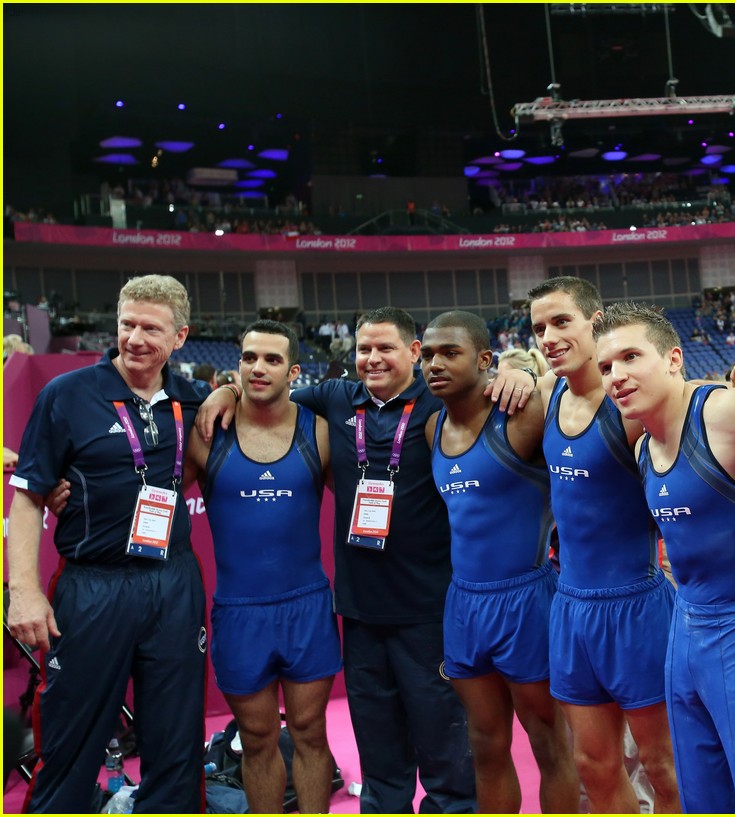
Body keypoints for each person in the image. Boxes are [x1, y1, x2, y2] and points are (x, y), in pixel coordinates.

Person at [198, 306, 476, 813]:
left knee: (445, 754)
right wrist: (228, 389)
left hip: (428, 612)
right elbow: (268, 391)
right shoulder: (335, 399)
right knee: (379, 757)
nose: (372, 358)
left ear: (415, 352)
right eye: (364, 348)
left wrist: (520, 377)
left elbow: (495, 386)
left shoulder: (441, 403)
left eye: (385, 348)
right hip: (360, 613)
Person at [7, 274, 211, 812]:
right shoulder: (66, 396)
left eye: (152, 328)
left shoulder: (195, 400)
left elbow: (178, 472)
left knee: (177, 742)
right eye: (127, 325)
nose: (136, 338)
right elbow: (27, 497)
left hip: (173, 583)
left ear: (181, 336)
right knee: (71, 739)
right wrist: (24, 592)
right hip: (93, 586)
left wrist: (232, 391)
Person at [593, 301, 735, 814]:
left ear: (673, 359)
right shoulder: (641, 445)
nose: (616, 376)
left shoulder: (725, 412)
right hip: (686, 633)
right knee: (702, 798)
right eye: (605, 367)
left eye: (630, 357)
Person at [491, 276, 679, 813]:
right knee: (594, 766)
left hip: (637, 605)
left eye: (561, 322)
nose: (548, 336)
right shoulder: (547, 396)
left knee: (662, 765)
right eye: (539, 328)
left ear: (595, 323)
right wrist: (515, 367)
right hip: (571, 610)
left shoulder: (629, 408)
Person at [419, 311, 580, 813]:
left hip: (526, 601)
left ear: (485, 360)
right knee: (485, 747)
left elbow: (579, 375)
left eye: (450, 353)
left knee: (549, 742)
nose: (434, 364)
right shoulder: (431, 428)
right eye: (427, 355)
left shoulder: (522, 414)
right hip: (464, 604)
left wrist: (529, 373)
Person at [190, 320, 341, 813]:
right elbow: (140, 486)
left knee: (309, 735)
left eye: (272, 359)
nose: (258, 367)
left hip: (307, 608)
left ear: (294, 370)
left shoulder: (316, 431)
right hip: (240, 612)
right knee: (256, 739)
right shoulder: (208, 433)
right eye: (249, 357)